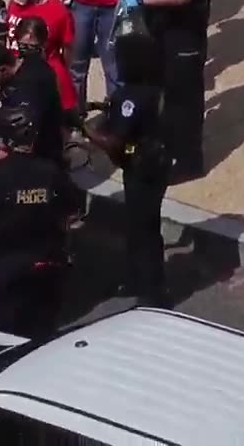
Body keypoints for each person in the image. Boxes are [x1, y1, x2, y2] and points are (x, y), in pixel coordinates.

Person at [0, 105, 77, 337]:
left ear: (3, 139)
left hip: (3, 272)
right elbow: (70, 213)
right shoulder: (52, 172)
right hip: (46, 267)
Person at [124, 0, 211, 180]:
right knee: (167, 92)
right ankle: (169, 148)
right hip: (164, 27)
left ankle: (189, 163)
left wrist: (142, 0)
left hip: (185, 29)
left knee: (184, 96)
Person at [81, 32, 171, 307]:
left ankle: (151, 293)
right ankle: (142, 279)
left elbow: (115, 141)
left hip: (141, 168)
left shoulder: (130, 96)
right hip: (158, 163)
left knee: (141, 229)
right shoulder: (155, 87)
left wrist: (84, 127)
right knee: (146, 226)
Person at [3, 0, 79, 118]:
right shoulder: (15, 4)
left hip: (43, 81)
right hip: (15, 79)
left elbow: (67, 51)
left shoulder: (58, 12)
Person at [0, 40, 65, 166]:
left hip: (41, 160)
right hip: (51, 141)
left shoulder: (25, 91)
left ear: (2, 69)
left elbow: (25, 142)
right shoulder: (33, 62)